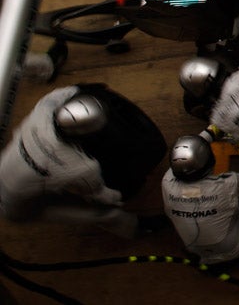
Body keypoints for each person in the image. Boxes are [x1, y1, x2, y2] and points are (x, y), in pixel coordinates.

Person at [0, 84, 167, 238]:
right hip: (18, 206)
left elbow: (69, 90)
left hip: (6, 170)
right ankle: (134, 228)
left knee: (46, 181)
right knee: (103, 213)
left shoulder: (43, 111)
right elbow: (101, 195)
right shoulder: (81, 167)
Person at [161, 131, 239, 274]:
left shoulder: (167, 182)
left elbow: (182, 159)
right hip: (234, 249)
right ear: (210, 162)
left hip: (198, 253)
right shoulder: (225, 185)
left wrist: (210, 133)